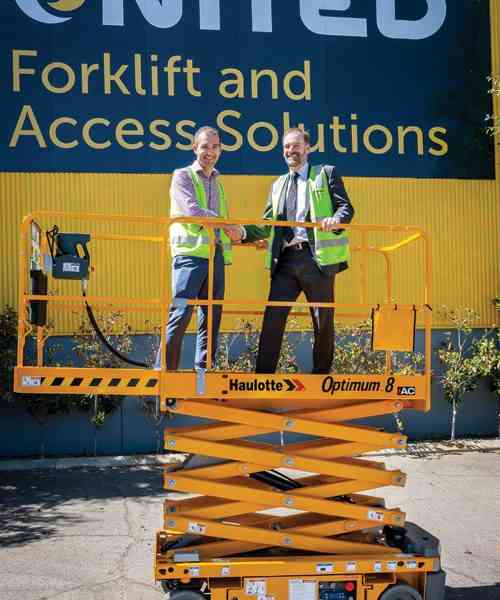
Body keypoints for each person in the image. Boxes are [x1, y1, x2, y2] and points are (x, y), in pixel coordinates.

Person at [242, 128, 354, 374]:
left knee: (321, 319)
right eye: (286, 147)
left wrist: (335, 220)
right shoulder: (278, 184)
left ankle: (321, 374)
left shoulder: (325, 174)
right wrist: (241, 232)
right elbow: (268, 224)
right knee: (273, 317)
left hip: (316, 259)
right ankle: (263, 376)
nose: (290, 151)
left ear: (307, 148)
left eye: (295, 146)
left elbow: (346, 209)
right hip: (286, 259)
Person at [155, 126, 241, 371]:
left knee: (211, 319)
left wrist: (242, 237)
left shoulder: (218, 183)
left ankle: (203, 372)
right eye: (205, 146)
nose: (210, 152)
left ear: (220, 150)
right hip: (190, 257)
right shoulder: (182, 176)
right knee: (180, 314)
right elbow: (193, 211)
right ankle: (164, 370)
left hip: (215, 257)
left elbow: (221, 223)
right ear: (195, 148)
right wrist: (228, 225)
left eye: (215, 147)